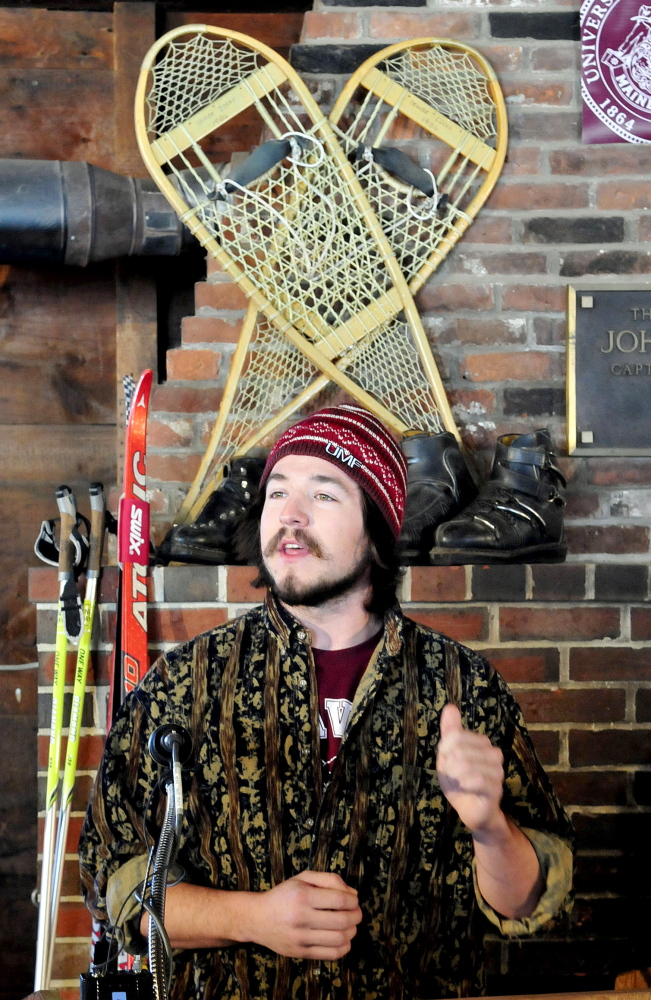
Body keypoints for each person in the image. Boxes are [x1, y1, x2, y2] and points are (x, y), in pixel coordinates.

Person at [79, 404, 574, 1000]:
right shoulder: (183, 684)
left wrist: (491, 828)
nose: (288, 514)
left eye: (324, 494)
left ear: (377, 529)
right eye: (277, 492)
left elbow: (530, 902)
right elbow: (116, 881)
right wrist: (252, 918)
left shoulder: (463, 688)